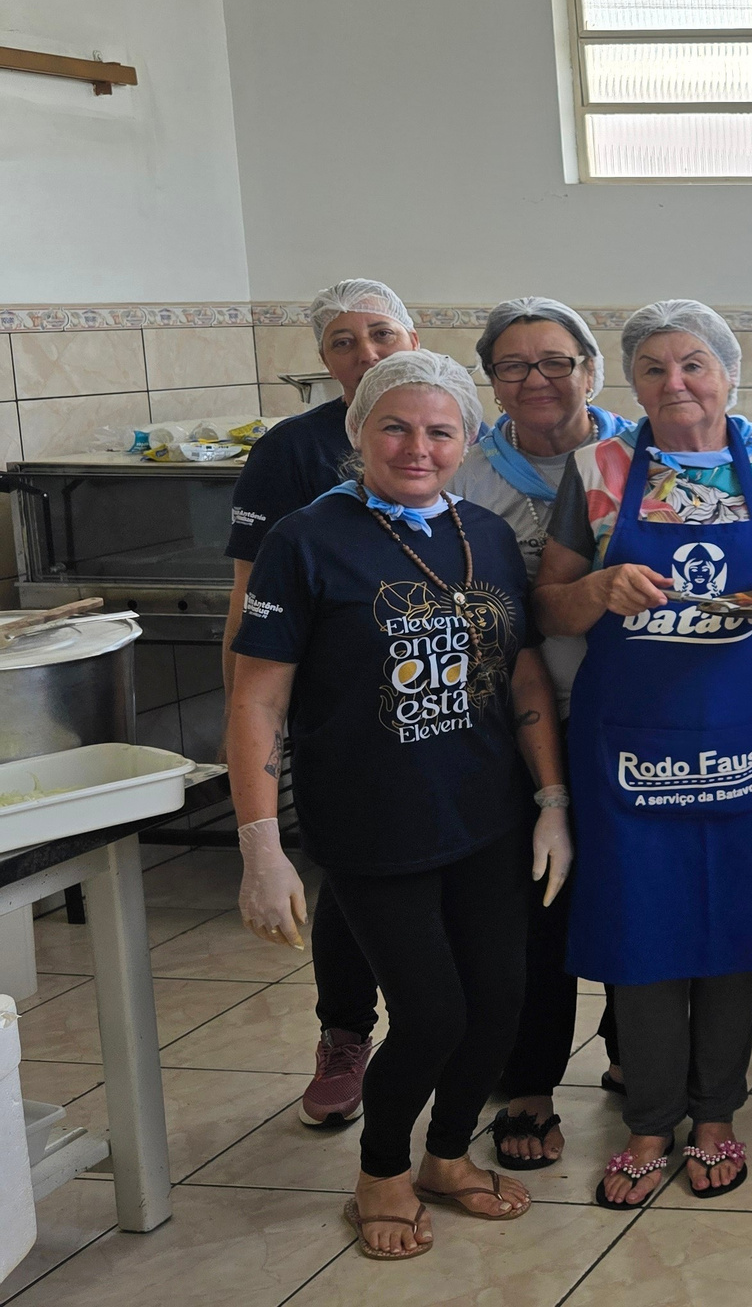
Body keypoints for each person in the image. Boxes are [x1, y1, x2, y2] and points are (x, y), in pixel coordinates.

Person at [225, 349, 573, 1261]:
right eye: (396, 426)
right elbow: (255, 697)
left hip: (486, 814)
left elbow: (522, 668)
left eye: (440, 430)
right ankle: (382, 1170)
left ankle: (446, 1157)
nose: (417, 446)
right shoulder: (306, 538)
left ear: (466, 440)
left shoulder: (485, 534)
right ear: (361, 431)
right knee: (432, 1015)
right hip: (372, 821)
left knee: (499, 1002)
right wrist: (259, 843)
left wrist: (550, 796)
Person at [533, 300, 752, 1209]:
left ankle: (716, 1115)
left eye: (695, 364)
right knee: (642, 925)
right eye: (655, 369)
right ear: (632, 383)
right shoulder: (599, 468)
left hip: (742, 734)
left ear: (729, 373)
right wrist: (597, 586)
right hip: (630, 738)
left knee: (732, 926)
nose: (676, 384)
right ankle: (649, 1122)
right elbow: (548, 601)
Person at [222, 278, 420, 1132]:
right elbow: (246, 600)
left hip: (449, 698)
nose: (366, 352)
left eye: (381, 333)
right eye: (344, 340)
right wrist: (250, 709)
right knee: (349, 870)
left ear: (412, 336)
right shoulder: (291, 453)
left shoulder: (449, 428)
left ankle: (469, 1034)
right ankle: (345, 1033)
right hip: (337, 708)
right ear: (323, 359)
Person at [449, 297, 634, 1173]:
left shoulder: (642, 459)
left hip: (635, 710)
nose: (537, 380)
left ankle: (634, 1043)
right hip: (509, 721)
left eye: (556, 361)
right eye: (514, 366)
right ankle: (530, 1080)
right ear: (492, 383)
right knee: (537, 902)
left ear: (591, 370)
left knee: (634, 882)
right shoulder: (465, 473)